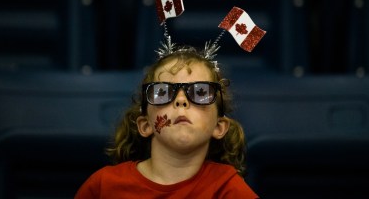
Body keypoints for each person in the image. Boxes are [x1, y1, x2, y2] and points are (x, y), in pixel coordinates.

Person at [75, 46, 259, 198]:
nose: (181, 100)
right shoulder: (103, 186)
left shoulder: (229, 190)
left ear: (219, 127)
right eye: (162, 92)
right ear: (145, 125)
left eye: (200, 92)